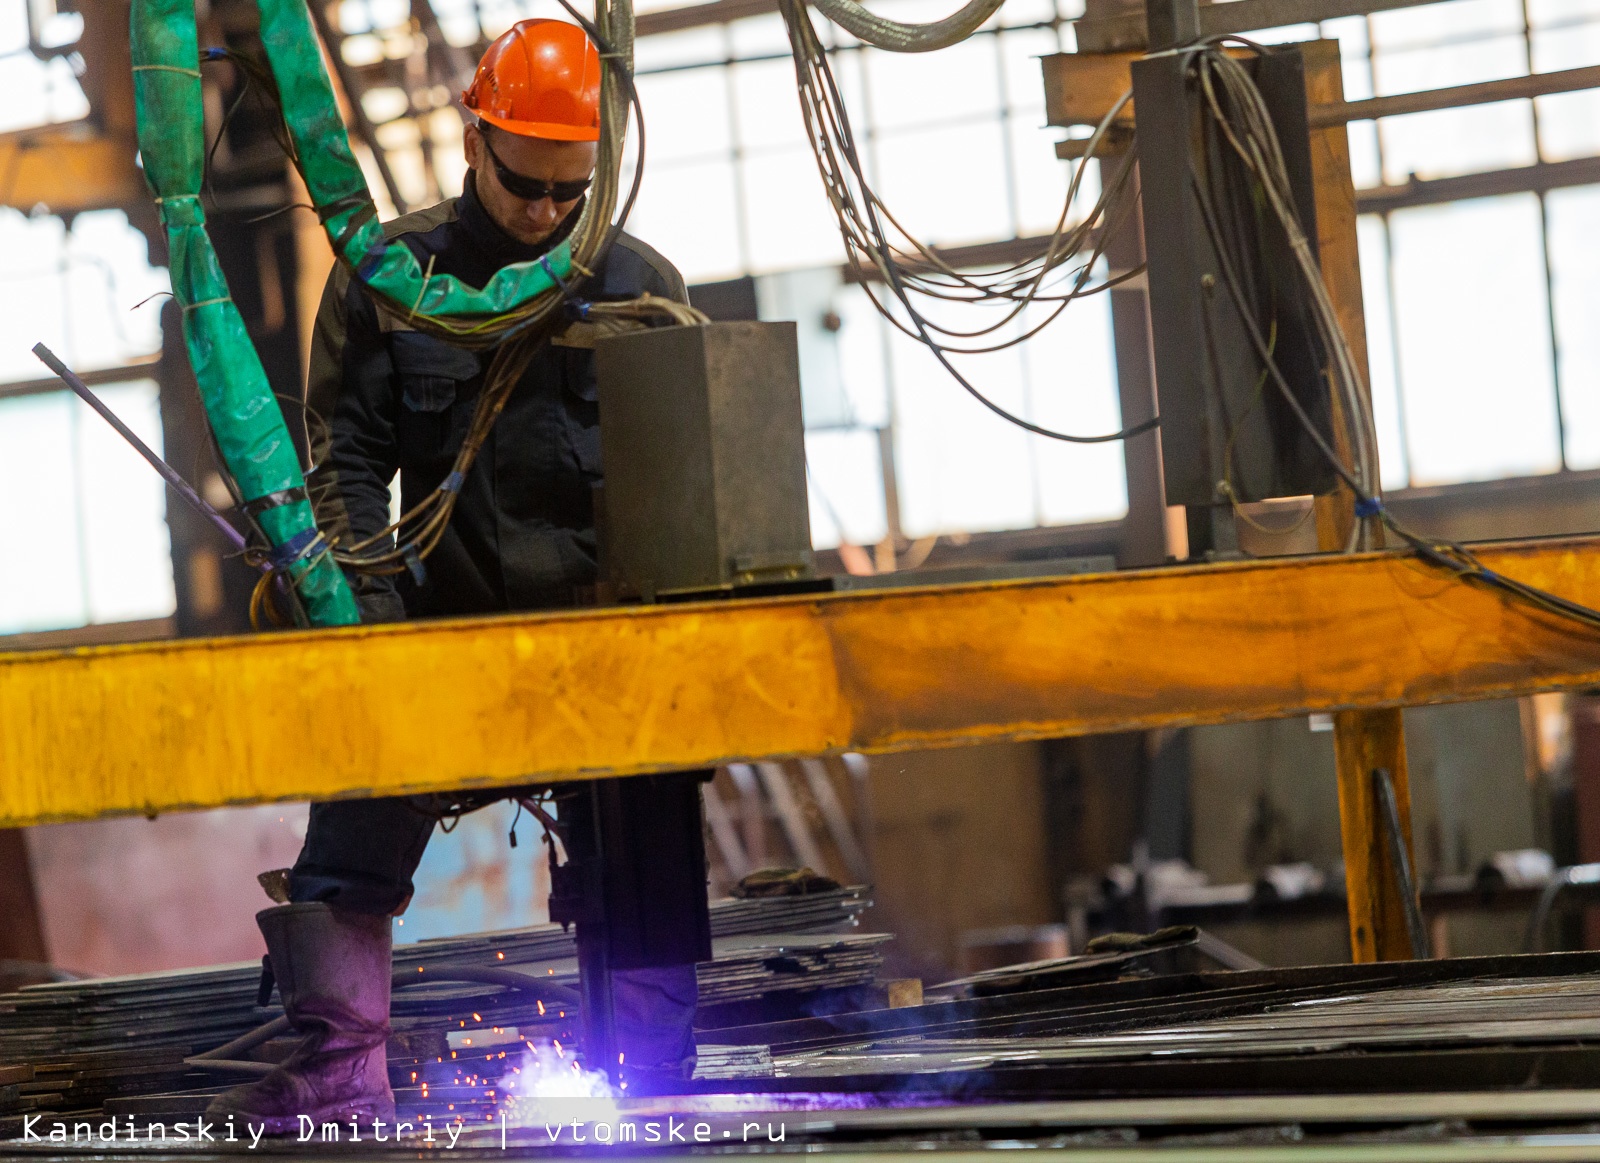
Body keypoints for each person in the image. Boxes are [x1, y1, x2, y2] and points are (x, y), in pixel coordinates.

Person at [207, 19, 708, 1133]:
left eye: (567, 195)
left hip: (597, 639)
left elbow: (689, 488)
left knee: (647, 829)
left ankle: (655, 1075)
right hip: (440, 622)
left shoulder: (641, 288)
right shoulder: (390, 280)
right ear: (472, 138)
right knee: (352, 829)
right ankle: (340, 1082)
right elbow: (343, 470)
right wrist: (375, 640)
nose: (543, 214)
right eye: (525, 186)